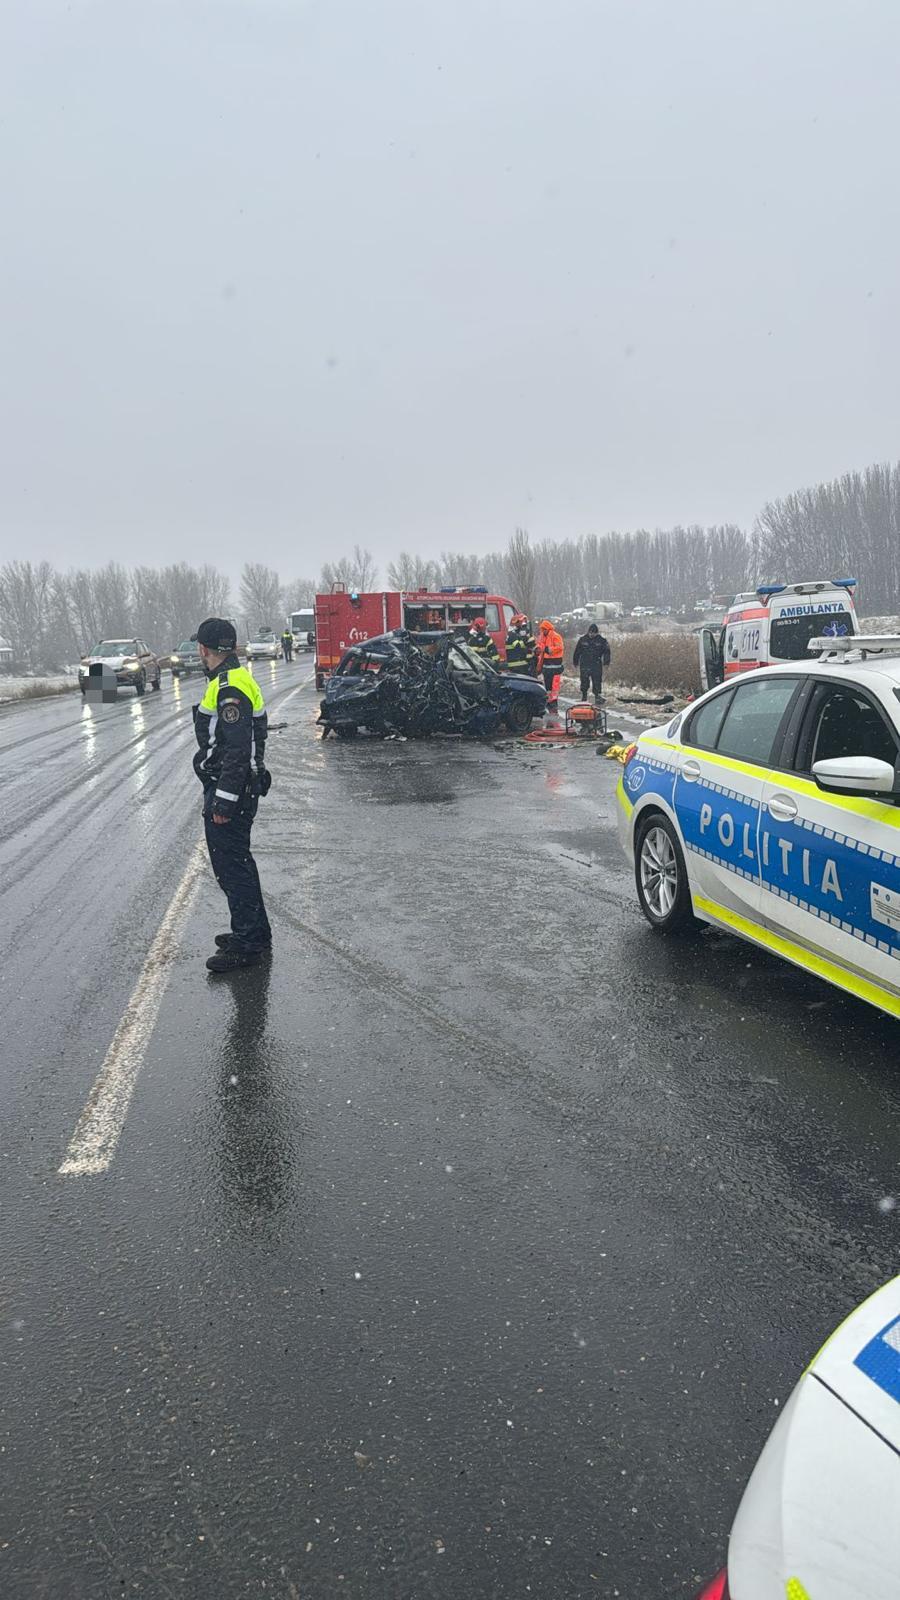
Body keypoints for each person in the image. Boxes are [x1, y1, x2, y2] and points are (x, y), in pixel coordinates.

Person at [192, 618, 272, 973]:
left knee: (232, 869)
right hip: (238, 787)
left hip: (232, 791)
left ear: (204, 649)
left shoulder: (228, 687)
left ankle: (248, 943)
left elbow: (236, 751)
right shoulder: (233, 679)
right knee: (238, 864)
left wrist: (223, 801)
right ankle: (254, 931)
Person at [572, 622, 610, 702]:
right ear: (588, 632)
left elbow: (607, 652)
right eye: (590, 632)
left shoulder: (602, 640)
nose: (592, 634)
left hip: (596, 664)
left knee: (597, 680)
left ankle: (597, 696)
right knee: (584, 680)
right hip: (585, 663)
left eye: (594, 633)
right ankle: (584, 695)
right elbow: (577, 651)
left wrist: (606, 662)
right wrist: (575, 662)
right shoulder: (582, 640)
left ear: (597, 633)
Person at [535, 619, 565, 712]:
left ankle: (554, 702)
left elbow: (560, 647)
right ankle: (549, 701)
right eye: (542, 629)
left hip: (555, 664)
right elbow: (540, 647)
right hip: (546, 664)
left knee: (554, 685)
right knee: (548, 684)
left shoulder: (556, 636)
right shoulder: (542, 637)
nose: (543, 631)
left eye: (544, 629)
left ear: (548, 629)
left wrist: (548, 650)